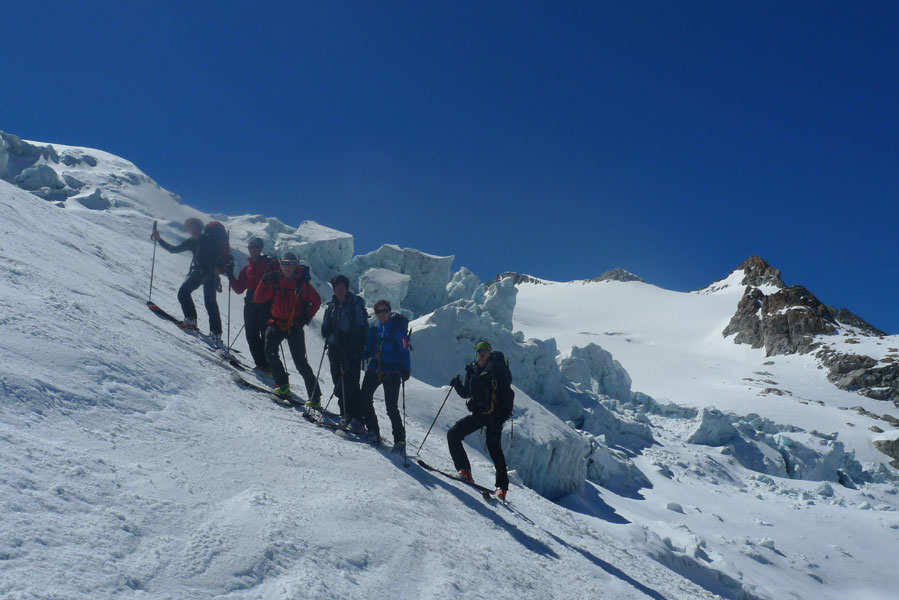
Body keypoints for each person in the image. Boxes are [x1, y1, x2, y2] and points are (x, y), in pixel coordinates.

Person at [448, 340, 515, 500]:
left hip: (495, 415)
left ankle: (502, 487)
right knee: (453, 434)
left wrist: (503, 414)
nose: (482, 352)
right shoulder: (473, 370)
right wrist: (457, 385)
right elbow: (467, 393)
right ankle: (464, 471)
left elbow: (507, 394)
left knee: (494, 448)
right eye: (479, 350)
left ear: (490, 352)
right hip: (479, 413)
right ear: (476, 353)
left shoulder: (497, 370)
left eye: (485, 350)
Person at [253, 252, 322, 401]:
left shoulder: (301, 284)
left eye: (291, 264)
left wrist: (305, 317)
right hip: (276, 322)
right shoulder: (275, 279)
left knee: (300, 363)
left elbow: (316, 301)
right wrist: (263, 282)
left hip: (294, 325)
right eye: (285, 264)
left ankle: (315, 397)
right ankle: (283, 385)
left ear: (296, 265)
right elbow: (258, 298)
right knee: (269, 351)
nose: (288, 267)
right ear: (280, 264)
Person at [151, 218, 230, 343]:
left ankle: (215, 333)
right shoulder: (192, 242)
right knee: (184, 293)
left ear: (200, 228)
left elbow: (224, 257)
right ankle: (192, 320)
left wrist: (220, 268)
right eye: (190, 228)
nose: (192, 230)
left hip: (210, 275)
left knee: (209, 303)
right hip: (198, 272)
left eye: (194, 227)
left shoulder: (209, 240)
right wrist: (159, 239)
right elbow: (173, 249)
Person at [358, 300, 411, 451]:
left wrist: (406, 369)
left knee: (391, 407)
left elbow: (404, 350)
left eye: (384, 310)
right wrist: (357, 356)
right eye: (378, 311)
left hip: (392, 371)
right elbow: (369, 350)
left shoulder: (397, 331)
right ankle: (373, 430)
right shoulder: (375, 330)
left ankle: (400, 441)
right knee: (365, 398)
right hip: (375, 367)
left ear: (389, 311)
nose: (381, 314)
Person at [320, 274, 367, 430]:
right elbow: (325, 327)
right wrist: (326, 331)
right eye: (337, 287)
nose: (340, 290)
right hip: (335, 349)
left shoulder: (355, 305)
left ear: (347, 288)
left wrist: (352, 342)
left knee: (352, 384)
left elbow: (361, 326)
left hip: (351, 350)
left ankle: (357, 419)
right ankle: (345, 414)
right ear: (334, 289)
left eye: (342, 287)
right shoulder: (331, 306)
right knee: (338, 383)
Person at [227, 237, 276, 371]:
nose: (252, 250)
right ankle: (261, 364)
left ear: (261, 249)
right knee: (251, 333)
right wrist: (230, 275)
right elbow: (239, 289)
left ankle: (270, 365)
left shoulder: (270, 264)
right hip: (250, 302)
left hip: (266, 303)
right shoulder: (246, 268)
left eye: (255, 247)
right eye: (250, 247)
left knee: (265, 334)